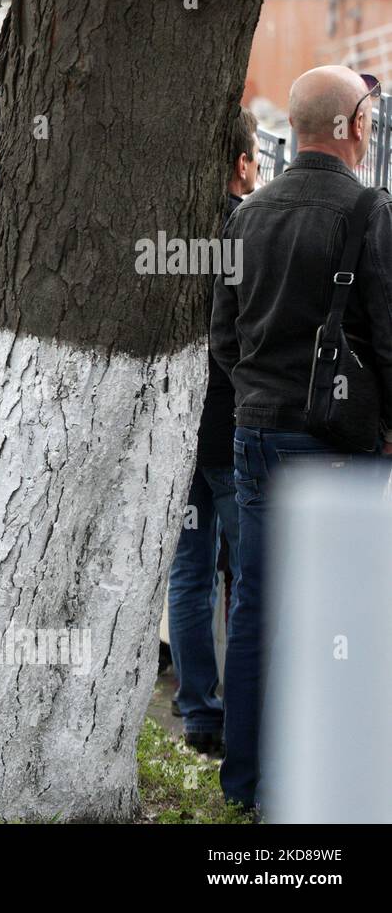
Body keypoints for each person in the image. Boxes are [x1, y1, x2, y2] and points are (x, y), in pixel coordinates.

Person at [211, 67, 392, 811]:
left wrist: (260, 393)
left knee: (256, 606)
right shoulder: (373, 213)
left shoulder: (246, 217)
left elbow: (223, 336)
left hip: (256, 432)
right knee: (340, 615)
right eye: (369, 118)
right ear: (355, 126)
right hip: (341, 443)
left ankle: (245, 784)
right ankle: (322, 785)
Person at [166, 106, 258, 758]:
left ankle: (199, 711)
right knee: (249, 573)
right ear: (244, 163)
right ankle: (248, 714)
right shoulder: (247, 227)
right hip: (230, 425)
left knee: (190, 572)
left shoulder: (174, 231)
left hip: (178, 428)